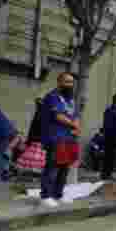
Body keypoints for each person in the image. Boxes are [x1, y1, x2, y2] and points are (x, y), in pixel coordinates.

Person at [39, 72, 81, 207]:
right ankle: (45, 195)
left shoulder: (71, 99)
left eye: (72, 82)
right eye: (67, 82)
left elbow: (75, 115)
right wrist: (73, 124)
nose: (70, 85)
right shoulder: (52, 96)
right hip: (55, 137)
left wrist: (76, 126)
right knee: (52, 167)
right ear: (59, 82)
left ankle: (58, 193)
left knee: (64, 167)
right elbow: (58, 116)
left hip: (68, 138)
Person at [16, 99, 47, 173]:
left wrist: (28, 142)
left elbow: (33, 129)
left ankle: (32, 175)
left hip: (37, 141)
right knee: (38, 161)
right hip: (43, 141)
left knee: (32, 161)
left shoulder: (39, 113)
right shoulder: (48, 113)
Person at [101, 94, 116, 180]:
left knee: (111, 156)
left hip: (114, 137)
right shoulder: (110, 111)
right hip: (110, 137)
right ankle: (105, 174)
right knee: (108, 156)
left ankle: (108, 173)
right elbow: (109, 126)